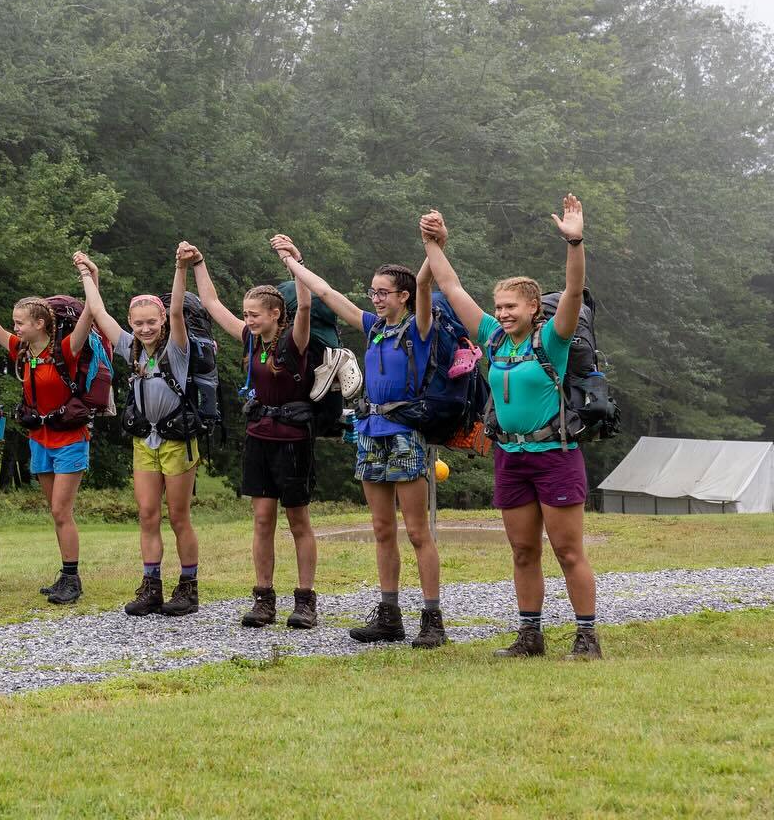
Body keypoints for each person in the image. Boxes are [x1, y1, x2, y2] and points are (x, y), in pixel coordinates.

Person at [420, 196, 600, 659]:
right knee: (523, 552)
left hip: (555, 458)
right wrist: (433, 244)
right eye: (498, 305)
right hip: (510, 458)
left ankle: (586, 636)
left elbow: (575, 292)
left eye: (510, 306)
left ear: (533, 307)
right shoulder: (492, 337)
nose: (501, 312)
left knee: (568, 552)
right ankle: (530, 636)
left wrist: (575, 242)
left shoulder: (552, 339)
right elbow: (451, 285)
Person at [276, 237, 447, 648]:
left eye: (383, 292)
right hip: (370, 433)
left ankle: (432, 618)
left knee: (418, 531)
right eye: (372, 292)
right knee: (381, 528)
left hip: (405, 435)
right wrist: (293, 262)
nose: (375, 298)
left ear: (403, 296)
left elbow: (425, 284)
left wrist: (432, 245)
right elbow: (325, 293)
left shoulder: (418, 326)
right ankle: (389, 615)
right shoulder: (372, 327)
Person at [183, 240, 319, 628]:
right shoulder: (249, 339)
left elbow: (306, 304)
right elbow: (210, 304)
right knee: (262, 519)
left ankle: (305, 600)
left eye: (255, 314)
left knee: (298, 521)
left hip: (293, 440)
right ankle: (263, 598)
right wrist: (200, 261)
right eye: (246, 314)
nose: (249, 319)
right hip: (259, 436)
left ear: (276, 314)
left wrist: (294, 261)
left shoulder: (295, 341)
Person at [75, 249, 202, 617]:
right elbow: (98, 313)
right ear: (131, 323)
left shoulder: (177, 349)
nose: (145, 328)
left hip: (178, 441)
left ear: (161, 320)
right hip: (145, 442)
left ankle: (188, 587)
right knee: (148, 514)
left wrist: (180, 268)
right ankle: (151, 586)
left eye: (151, 321)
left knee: (178, 517)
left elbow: (178, 310)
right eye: (139, 323)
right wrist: (88, 274)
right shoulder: (129, 347)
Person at [0, 260, 94, 605]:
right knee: (55, 512)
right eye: (15, 323)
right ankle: (67, 575)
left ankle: (71, 578)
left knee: (61, 511)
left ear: (40, 323)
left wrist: (89, 277)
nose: (15, 327)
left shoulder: (65, 351)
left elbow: (89, 315)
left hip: (70, 439)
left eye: (20, 322)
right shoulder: (20, 351)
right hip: (39, 439)